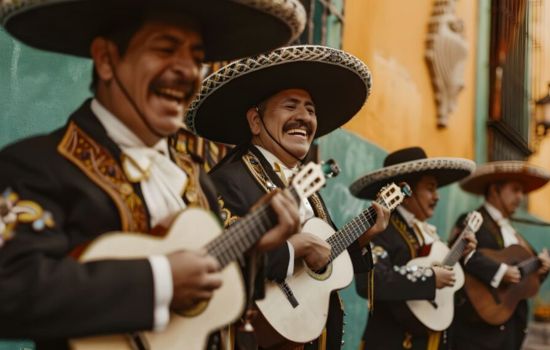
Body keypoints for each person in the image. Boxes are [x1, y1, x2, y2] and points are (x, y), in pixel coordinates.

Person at [0, 0, 307, 348]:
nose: (187, 70)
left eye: (196, 57)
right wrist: (159, 282)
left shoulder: (195, 178)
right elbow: (9, 287)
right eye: (164, 49)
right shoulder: (37, 166)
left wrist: (252, 249)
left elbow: (208, 293)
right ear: (106, 59)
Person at [184, 44, 391, 349]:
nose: (303, 117)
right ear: (256, 121)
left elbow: (323, 259)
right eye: (290, 106)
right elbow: (223, 264)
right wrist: (294, 249)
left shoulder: (311, 191)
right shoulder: (229, 180)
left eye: (310, 109)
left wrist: (360, 239)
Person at [349, 146, 477, 350]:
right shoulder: (381, 226)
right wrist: (429, 278)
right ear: (405, 190)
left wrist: (460, 254)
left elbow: (435, 270)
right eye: (430, 188)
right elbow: (371, 281)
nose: (437, 197)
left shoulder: (425, 230)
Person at [450, 161, 550, 350]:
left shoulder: (513, 232)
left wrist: (542, 269)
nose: (520, 197)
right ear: (495, 190)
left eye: (522, 191)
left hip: (511, 331)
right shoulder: (472, 220)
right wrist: (499, 271)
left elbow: (524, 282)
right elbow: (458, 252)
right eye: (515, 189)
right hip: (477, 332)